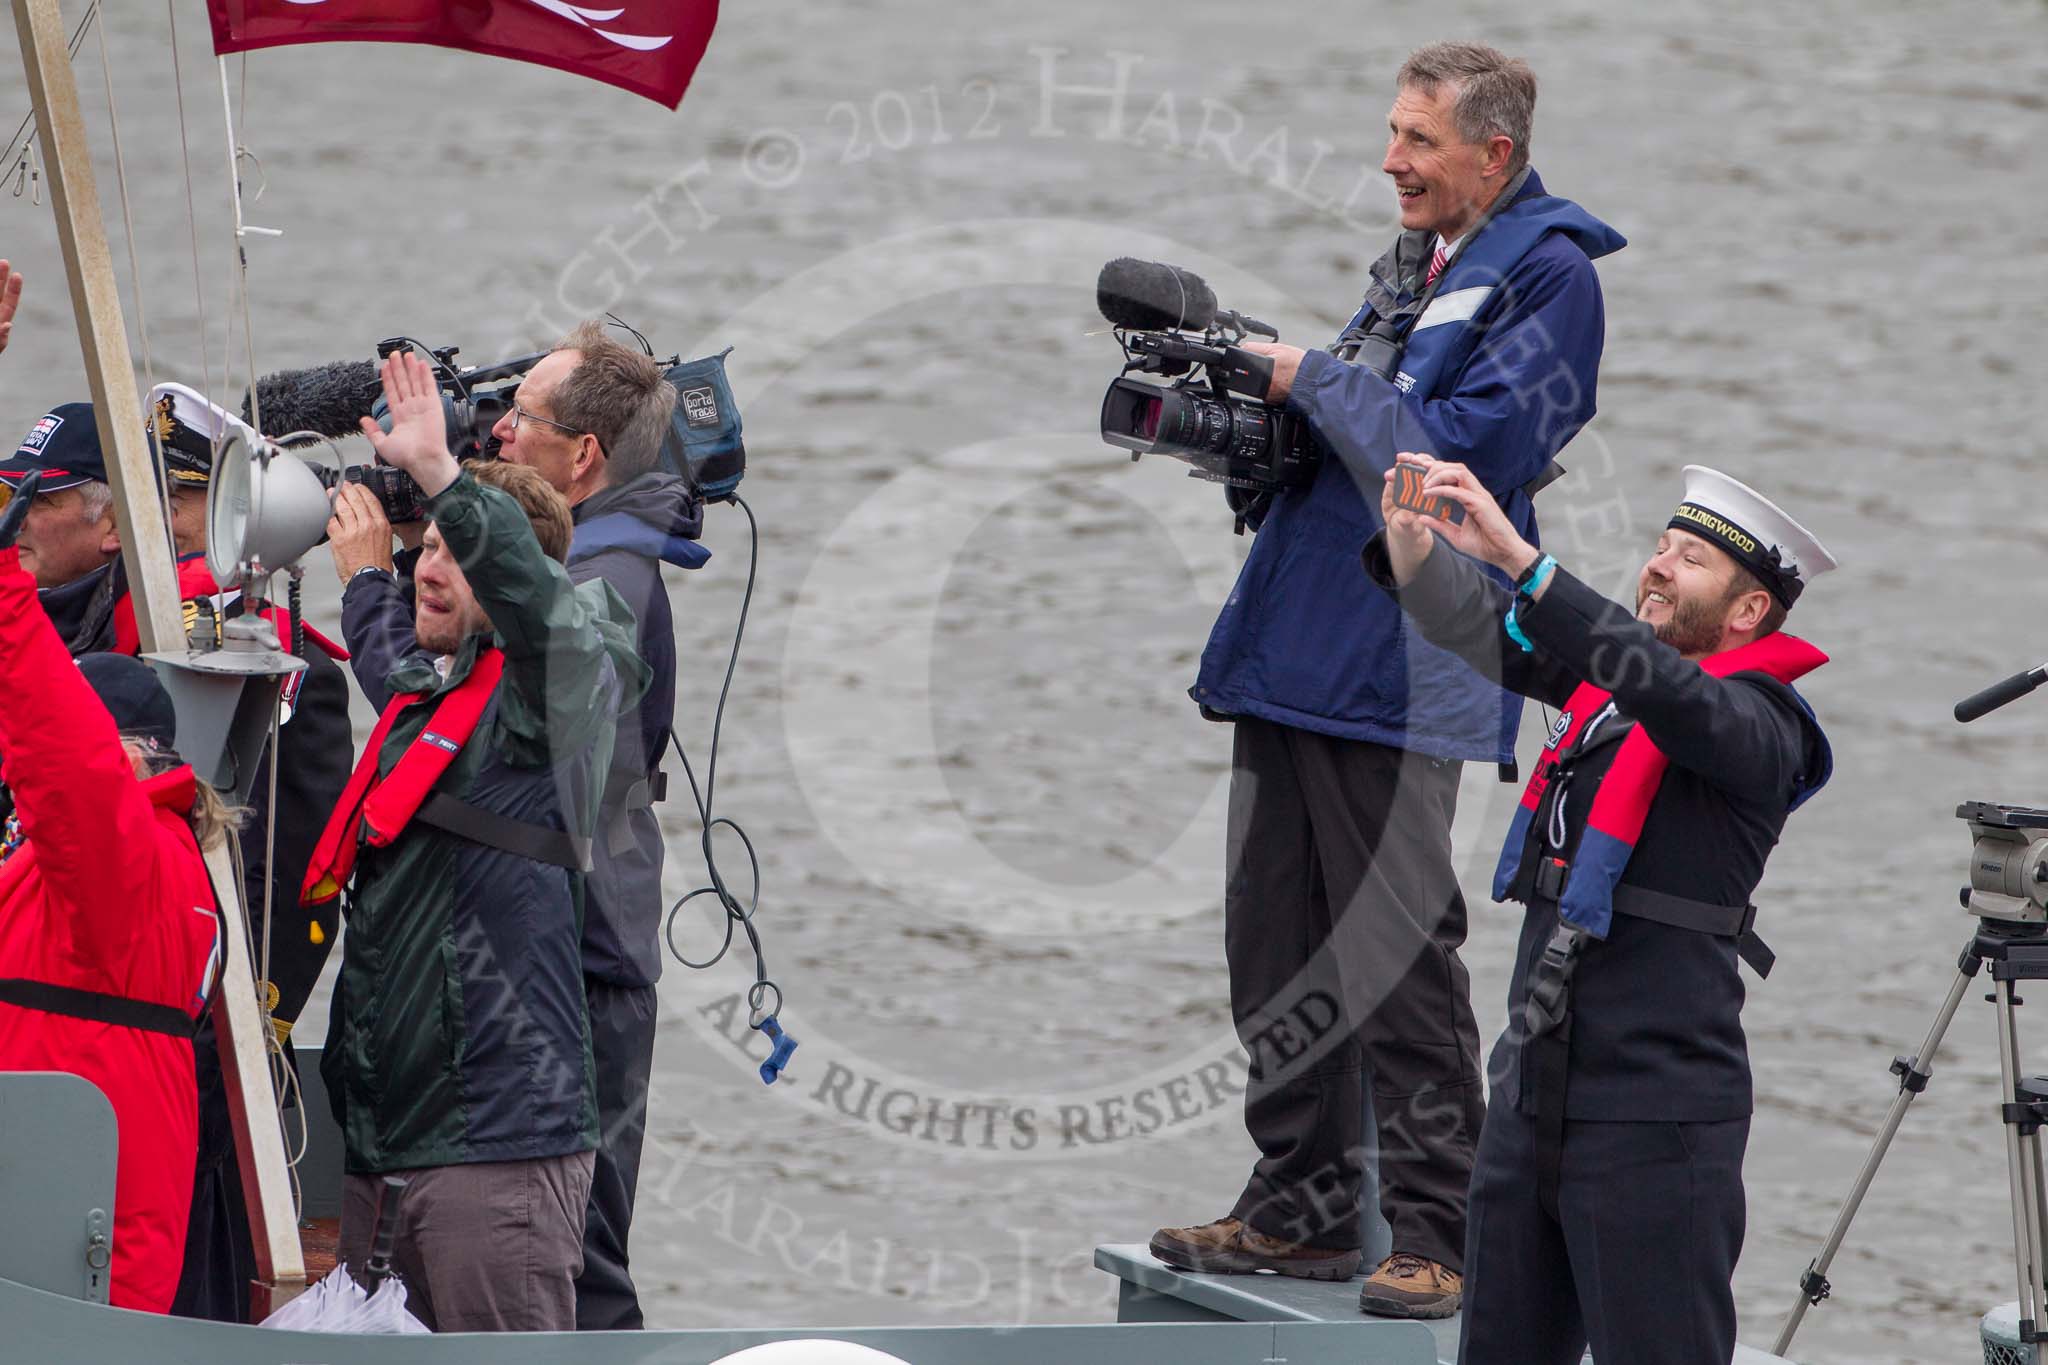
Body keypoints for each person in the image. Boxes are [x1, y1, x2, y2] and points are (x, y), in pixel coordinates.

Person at [1151, 41, 1625, 1319]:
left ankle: (1441, 1229)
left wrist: (1312, 377)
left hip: (1406, 664)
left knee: (1398, 953)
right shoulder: (1415, 268)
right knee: (1274, 947)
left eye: (1417, 141)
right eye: (1391, 134)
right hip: (1297, 651)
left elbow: (1463, 467)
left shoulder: (1552, 282)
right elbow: (1363, 432)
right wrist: (1251, 413)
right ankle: (1296, 1215)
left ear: (1495, 155)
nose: (1390, 161)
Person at [1363, 454, 1836, 1365]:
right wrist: (1417, 546)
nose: (1658, 564)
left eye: (1690, 559)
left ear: (1748, 613)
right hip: (1534, 1097)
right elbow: (1492, 635)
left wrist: (1526, 565)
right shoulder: (1613, 693)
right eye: (1660, 545)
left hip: (1654, 1125)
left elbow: (1673, 694)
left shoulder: (1760, 727)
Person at [315, 351, 646, 1333]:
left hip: (497, 1149)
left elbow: (540, 613)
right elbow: (392, 653)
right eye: (425, 549)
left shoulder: (554, 693)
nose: (430, 566)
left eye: (456, 554)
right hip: (393, 1149)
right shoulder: (433, 703)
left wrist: (443, 479)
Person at [489, 319, 705, 1329]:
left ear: (580, 457)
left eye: (519, 418)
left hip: (586, 959)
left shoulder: (602, 583)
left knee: (578, 1257)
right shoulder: (594, 559)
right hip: (582, 948)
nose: (496, 430)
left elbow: (532, 761)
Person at [0, 471, 230, 1313]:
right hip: (74, 1207)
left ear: (120, 754)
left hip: (63, 1232)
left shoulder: (123, 860)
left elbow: (56, 751)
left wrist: (4, 593)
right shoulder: (156, 861)